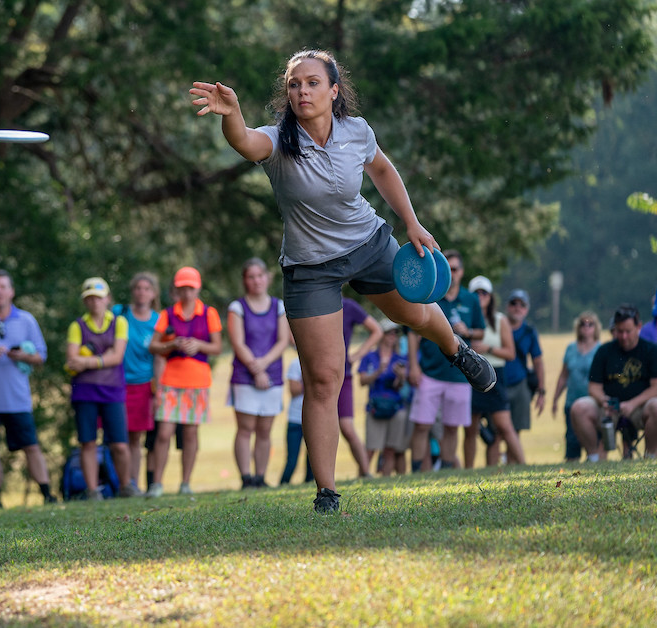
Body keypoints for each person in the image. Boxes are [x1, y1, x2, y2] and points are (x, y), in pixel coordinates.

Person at [191, 50, 496, 513]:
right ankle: (327, 492)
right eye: (294, 85)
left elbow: (382, 170)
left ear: (334, 91)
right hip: (310, 267)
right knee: (323, 379)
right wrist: (231, 115)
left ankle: (457, 350)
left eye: (313, 83)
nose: (302, 92)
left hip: (368, 244)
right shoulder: (279, 142)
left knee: (415, 314)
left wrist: (410, 223)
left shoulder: (357, 131)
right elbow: (245, 143)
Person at [0, 270, 56, 508]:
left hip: (17, 399)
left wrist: (23, 356)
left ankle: (47, 495)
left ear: (11, 291)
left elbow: (41, 356)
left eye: (3, 286)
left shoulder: (26, 320)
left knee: (31, 446)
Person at [405, 251, 485, 472]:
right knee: (422, 425)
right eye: (448, 268)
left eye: (456, 269)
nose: (453, 273)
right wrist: (414, 365)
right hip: (429, 372)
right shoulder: (430, 295)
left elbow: (481, 332)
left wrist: (467, 331)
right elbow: (412, 333)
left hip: (460, 375)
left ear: (462, 272)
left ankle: (447, 470)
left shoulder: (471, 299)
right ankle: (417, 472)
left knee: (452, 427)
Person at [147, 266, 223, 497]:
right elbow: (153, 346)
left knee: (190, 434)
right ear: (177, 290)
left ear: (197, 287)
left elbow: (217, 347)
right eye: (182, 288)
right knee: (164, 433)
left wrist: (198, 345)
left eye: (190, 287)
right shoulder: (167, 315)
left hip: (198, 381)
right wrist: (172, 344)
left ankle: (185, 483)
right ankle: (157, 484)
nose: (187, 292)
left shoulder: (209, 313)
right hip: (171, 380)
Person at [66, 277, 140, 499]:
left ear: (107, 299)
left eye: (98, 298)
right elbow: (72, 360)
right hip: (85, 391)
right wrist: (102, 358)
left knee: (119, 442)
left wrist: (88, 362)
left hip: (112, 390)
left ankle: (126, 486)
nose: (94, 302)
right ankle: (92, 491)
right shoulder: (77, 326)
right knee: (87, 441)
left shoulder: (119, 322)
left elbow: (117, 357)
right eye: (89, 298)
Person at [227, 258, 291, 489]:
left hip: (272, 375)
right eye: (251, 276)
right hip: (244, 376)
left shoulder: (279, 306)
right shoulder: (237, 308)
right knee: (245, 429)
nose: (256, 281)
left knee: (265, 430)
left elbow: (283, 340)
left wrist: (263, 365)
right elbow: (238, 343)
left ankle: (261, 477)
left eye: (260, 275)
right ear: (245, 280)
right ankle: (246, 478)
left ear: (267, 277)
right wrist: (255, 369)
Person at [569, 304, 657, 461]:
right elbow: (593, 387)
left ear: (638, 327)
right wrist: (604, 401)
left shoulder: (650, 350)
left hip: (640, 408)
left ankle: (651, 456)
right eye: (619, 331)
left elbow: (655, 387)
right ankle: (594, 458)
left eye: (628, 331)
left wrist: (632, 403)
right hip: (609, 409)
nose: (623, 337)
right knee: (579, 407)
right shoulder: (604, 351)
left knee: (656, 406)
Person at [464, 276, 525, 468]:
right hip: (470, 375)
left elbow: (510, 353)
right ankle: (468, 471)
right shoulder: (466, 319)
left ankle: (524, 465)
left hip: (495, 375)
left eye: (484, 293)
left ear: (491, 297)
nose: (480, 296)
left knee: (504, 426)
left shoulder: (500, 320)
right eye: (476, 293)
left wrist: (487, 348)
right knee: (470, 428)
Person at [113, 272, 166, 493]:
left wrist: (158, 390)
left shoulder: (158, 321)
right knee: (118, 437)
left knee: (135, 437)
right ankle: (120, 483)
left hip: (143, 384)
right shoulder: (119, 313)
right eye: (137, 288)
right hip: (117, 383)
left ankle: (133, 484)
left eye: (146, 289)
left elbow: (159, 358)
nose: (141, 292)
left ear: (153, 293)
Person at [358, 319, 410, 476]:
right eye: (389, 333)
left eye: (395, 333)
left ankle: (385, 481)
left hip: (395, 406)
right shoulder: (369, 357)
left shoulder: (400, 359)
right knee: (371, 448)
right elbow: (362, 381)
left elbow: (398, 386)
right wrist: (378, 371)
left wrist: (400, 377)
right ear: (381, 335)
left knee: (390, 449)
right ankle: (361, 480)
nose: (393, 336)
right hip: (376, 406)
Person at [338, 297, 381, 477]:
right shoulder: (312, 302)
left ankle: (365, 472)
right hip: (317, 375)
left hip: (344, 375)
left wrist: (356, 356)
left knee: (347, 427)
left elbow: (376, 331)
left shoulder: (348, 306)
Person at [551, 311, 602, 462]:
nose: (586, 327)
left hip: (592, 403)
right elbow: (563, 375)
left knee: (593, 438)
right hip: (571, 401)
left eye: (590, 324)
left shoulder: (601, 349)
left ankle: (594, 465)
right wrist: (555, 399)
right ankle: (573, 472)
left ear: (595, 327)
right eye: (583, 324)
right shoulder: (571, 349)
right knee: (572, 439)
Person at [500, 289, 545, 459]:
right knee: (496, 432)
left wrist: (541, 391)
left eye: (522, 304)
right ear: (507, 306)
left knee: (516, 430)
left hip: (520, 384)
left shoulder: (529, 331)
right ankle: (493, 471)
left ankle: (512, 468)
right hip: (498, 384)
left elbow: (538, 361)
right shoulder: (498, 325)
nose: (517, 308)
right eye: (514, 303)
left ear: (527, 309)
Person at [279, 355, 310, 485]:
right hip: (295, 419)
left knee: (314, 460)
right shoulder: (296, 363)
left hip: (313, 421)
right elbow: (294, 390)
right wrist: (311, 380)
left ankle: (310, 483)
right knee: (292, 460)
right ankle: (283, 484)